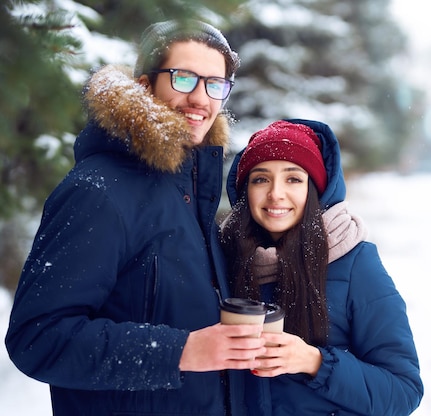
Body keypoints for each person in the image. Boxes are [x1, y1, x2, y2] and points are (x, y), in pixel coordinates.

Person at [5, 20, 267, 415]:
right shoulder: (98, 191)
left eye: (215, 83)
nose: (201, 98)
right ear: (145, 86)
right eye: (183, 78)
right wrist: (179, 352)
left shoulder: (191, 191)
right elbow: (38, 338)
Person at [220, 119, 424, 415]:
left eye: (293, 179)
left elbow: (404, 391)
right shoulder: (222, 258)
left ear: (315, 189)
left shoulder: (354, 263)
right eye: (260, 179)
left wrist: (314, 362)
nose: (275, 193)